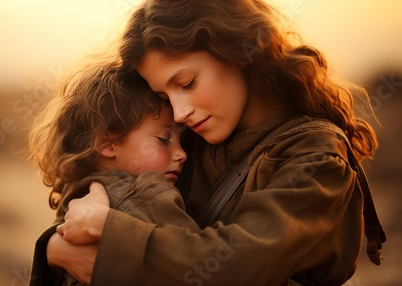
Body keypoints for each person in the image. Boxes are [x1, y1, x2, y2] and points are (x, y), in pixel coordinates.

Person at [49, 0, 387, 285]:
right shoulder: (191, 139)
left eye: (187, 82)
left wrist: (109, 230)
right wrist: (52, 247)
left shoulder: (316, 158)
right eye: (164, 95)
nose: (178, 113)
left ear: (237, 51)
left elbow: (233, 265)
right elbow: (110, 182)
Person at [28, 60, 200, 285]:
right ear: (108, 143)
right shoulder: (147, 193)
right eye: (164, 140)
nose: (181, 154)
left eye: (182, 142)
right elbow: (198, 261)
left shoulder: (76, 199)